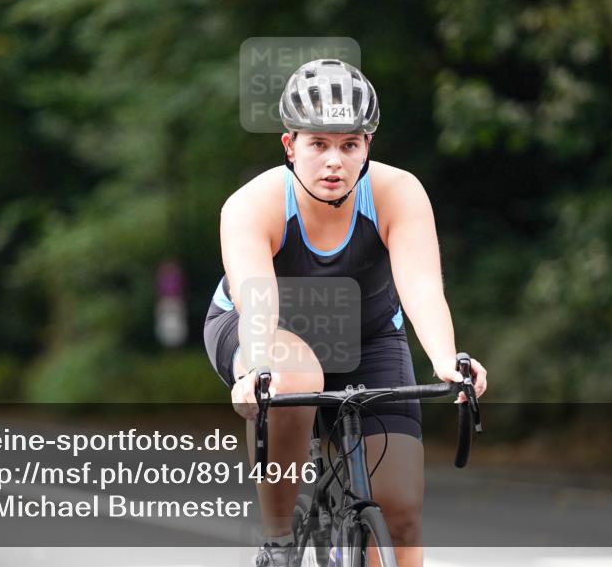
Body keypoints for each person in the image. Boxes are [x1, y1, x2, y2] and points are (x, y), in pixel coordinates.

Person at [204, 59, 488, 567]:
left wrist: (448, 362)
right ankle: (278, 541)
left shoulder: (398, 193)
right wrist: (256, 369)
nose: (334, 162)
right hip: (267, 331)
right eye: (318, 144)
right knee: (293, 377)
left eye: (349, 144)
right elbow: (258, 302)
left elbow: (421, 286)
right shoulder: (253, 205)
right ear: (289, 146)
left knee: (400, 511)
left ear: (367, 148)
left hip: (369, 335)